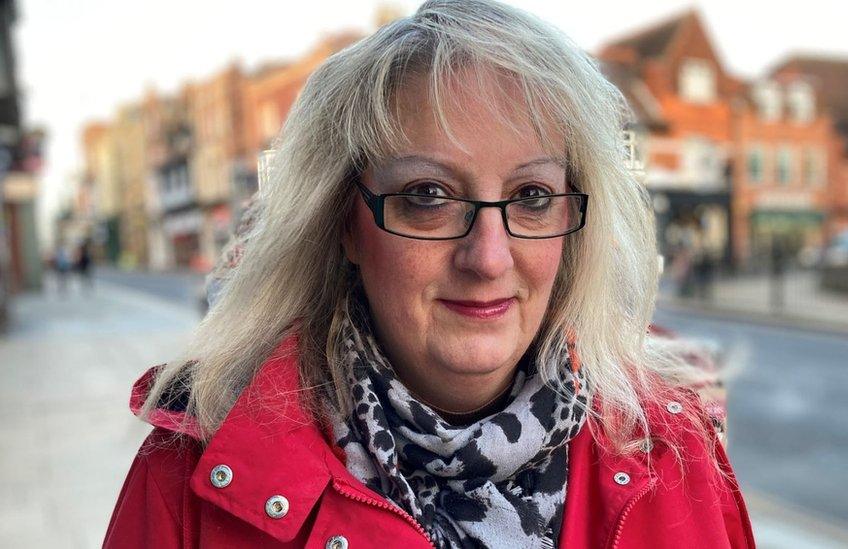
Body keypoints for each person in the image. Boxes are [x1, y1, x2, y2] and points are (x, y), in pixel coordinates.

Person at [105, 1, 754, 547]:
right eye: (428, 195)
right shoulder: (189, 481)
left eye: (531, 196)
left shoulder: (675, 451)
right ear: (346, 222)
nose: (489, 257)